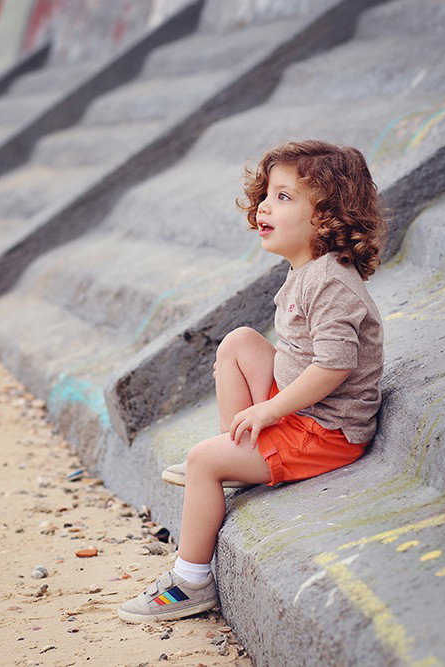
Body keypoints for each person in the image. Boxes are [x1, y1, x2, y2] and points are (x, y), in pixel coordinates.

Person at [117, 140, 388, 623]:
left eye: (284, 197)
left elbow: (334, 365)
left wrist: (268, 410)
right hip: (299, 410)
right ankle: (237, 451)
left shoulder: (330, 281)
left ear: (326, 217)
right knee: (239, 341)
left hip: (326, 431)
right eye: (267, 194)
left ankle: (190, 582)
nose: (264, 205)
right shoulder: (307, 272)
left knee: (202, 462)